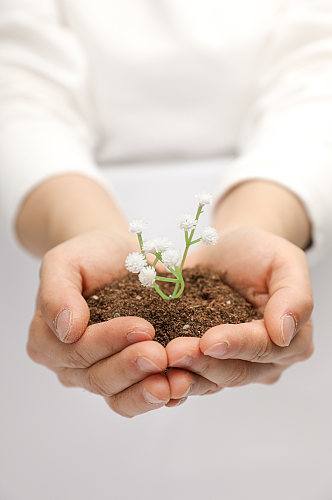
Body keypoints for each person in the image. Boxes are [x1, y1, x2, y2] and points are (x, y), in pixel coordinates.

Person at [0, 0, 331, 418]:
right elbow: (18, 84)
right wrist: (82, 227)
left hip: (289, 191)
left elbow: (320, 71)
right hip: (53, 203)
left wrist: (263, 219)